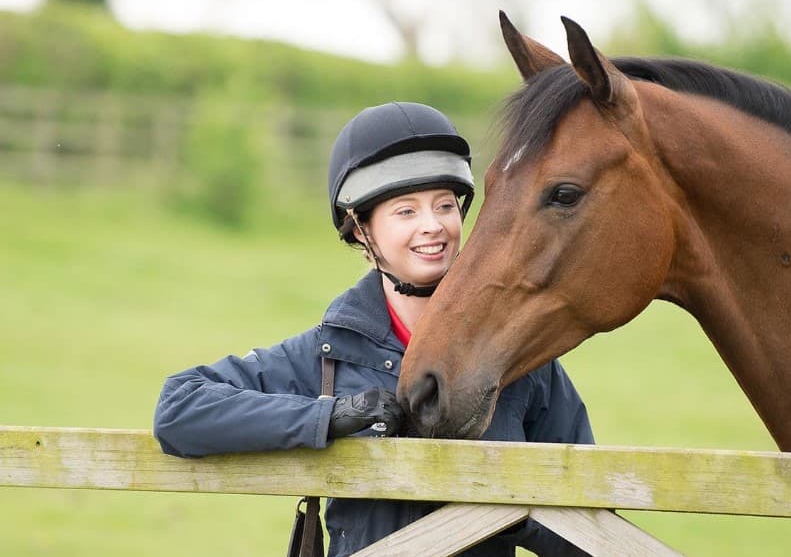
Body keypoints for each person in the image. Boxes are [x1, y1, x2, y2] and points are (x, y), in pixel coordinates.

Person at [153, 102, 594, 557]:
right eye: (406, 211)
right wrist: (329, 417)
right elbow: (179, 409)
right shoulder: (328, 355)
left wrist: (505, 510)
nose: (433, 226)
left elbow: (592, 525)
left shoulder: (519, 358)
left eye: (444, 205)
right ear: (362, 229)